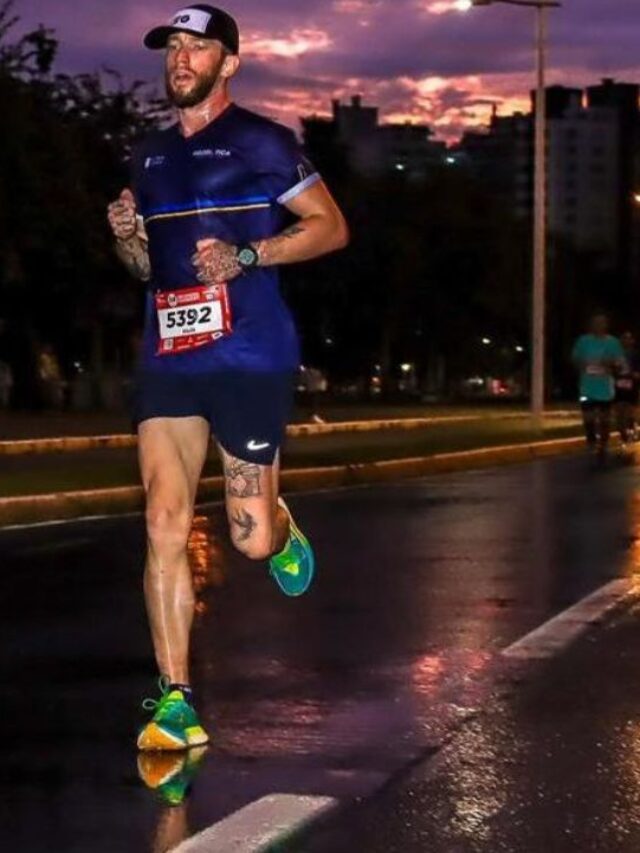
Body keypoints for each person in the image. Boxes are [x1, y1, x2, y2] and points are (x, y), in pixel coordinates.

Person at [107, 4, 349, 752]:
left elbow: (330, 228)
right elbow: (147, 270)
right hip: (170, 351)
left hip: (250, 351)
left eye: (197, 47)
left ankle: (278, 531)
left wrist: (249, 257)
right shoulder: (146, 155)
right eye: (172, 48)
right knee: (163, 517)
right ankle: (175, 700)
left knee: (245, 540)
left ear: (229, 64)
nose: (181, 59)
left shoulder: (264, 142)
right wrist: (128, 241)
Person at [571, 313, 625, 459]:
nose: (599, 326)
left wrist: (611, 365)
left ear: (606, 325)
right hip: (587, 387)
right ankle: (591, 441)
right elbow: (575, 359)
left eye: (602, 323)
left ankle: (603, 445)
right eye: (596, 323)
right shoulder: (583, 341)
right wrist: (582, 364)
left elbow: (620, 364)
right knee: (588, 418)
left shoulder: (613, 343)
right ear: (591, 325)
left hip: (605, 390)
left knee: (604, 419)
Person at [614, 330, 640, 448]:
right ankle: (623, 434)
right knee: (619, 412)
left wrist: (635, 375)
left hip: (632, 386)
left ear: (632, 341)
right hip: (618, 386)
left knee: (630, 411)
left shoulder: (635, 355)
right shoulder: (615, 355)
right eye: (623, 338)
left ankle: (632, 428)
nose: (626, 340)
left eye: (628, 338)